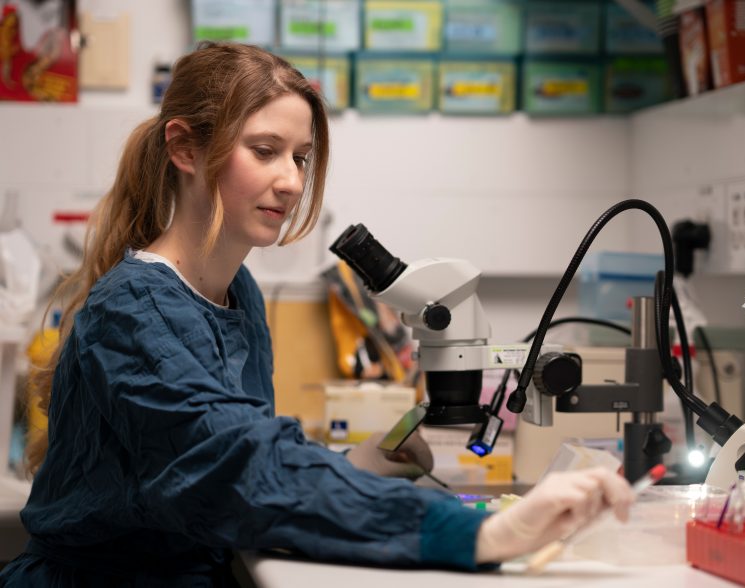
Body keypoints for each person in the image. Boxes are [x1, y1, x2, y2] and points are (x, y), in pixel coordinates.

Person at [0, 42, 634, 587]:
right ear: (185, 149)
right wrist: (484, 532)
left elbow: (236, 455)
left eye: (300, 157)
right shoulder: (134, 310)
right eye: (265, 150)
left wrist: (368, 461)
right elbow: (237, 468)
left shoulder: (238, 292)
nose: (291, 181)